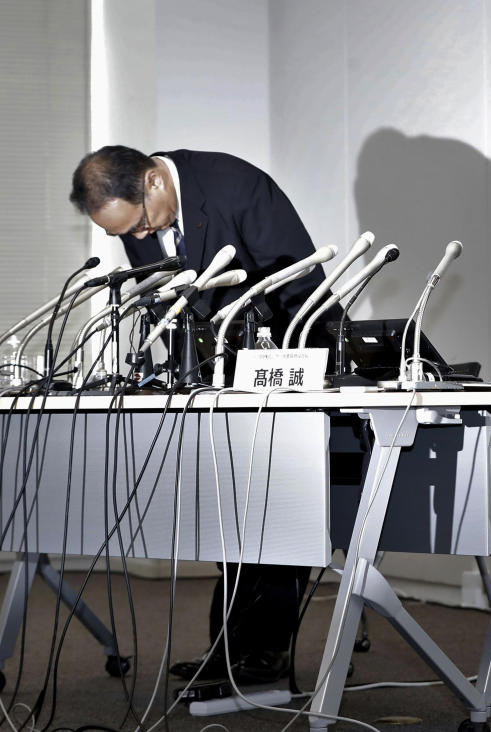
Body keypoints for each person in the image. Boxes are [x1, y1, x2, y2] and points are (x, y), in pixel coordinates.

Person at [69, 145, 343, 684]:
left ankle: (262, 653)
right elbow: (166, 298)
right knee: (227, 519)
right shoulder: (136, 215)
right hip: (210, 380)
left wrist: (291, 372)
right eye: (128, 234)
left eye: (141, 226)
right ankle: (233, 648)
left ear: (152, 181)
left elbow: (299, 284)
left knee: (271, 513)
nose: (140, 239)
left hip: (279, 369)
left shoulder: (237, 186)